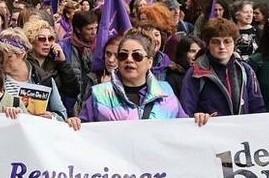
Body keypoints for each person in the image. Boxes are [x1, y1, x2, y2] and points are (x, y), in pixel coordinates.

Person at [68, 32, 209, 127]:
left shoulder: (166, 91)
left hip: (157, 170)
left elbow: (183, 130)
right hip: (115, 171)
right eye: (123, 55)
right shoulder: (99, 94)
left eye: (137, 56)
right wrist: (75, 123)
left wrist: (197, 121)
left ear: (150, 62)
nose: (129, 60)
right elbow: (83, 134)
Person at [180, 18, 266, 117]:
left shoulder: (246, 71)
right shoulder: (195, 74)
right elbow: (186, 111)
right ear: (207, 44)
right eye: (216, 42)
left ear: (234, 43)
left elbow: (258, 108)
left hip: (241, 131)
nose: (222, 46)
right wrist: (198, 116)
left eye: (227, 41)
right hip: (208, 131)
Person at [0, 28, 67, 120]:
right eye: (0, 56)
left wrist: (52, 117)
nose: (2, 61)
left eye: (9, 57)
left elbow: (62, 115)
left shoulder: (43, 79)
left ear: (22, 54)